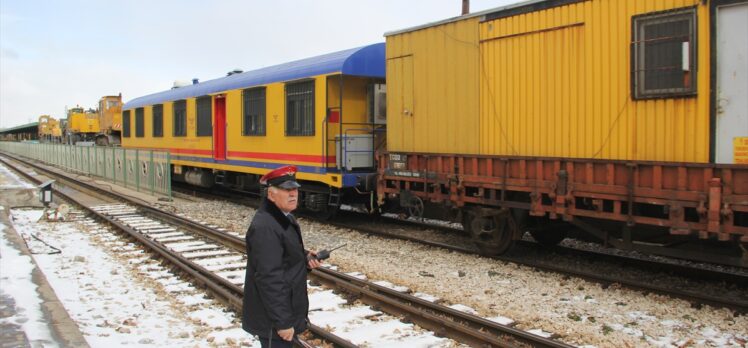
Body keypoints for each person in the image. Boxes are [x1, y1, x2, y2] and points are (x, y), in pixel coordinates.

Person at [242, 165, 322, 348]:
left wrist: (305, 259)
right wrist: (283, 323)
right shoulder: (266, 227)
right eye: (287, 190)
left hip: (284, 310)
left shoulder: (283, 217)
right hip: (272, 322)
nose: (293, 194)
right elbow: (269, 277)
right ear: (271, 194)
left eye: (295, 189)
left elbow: (283, 256)